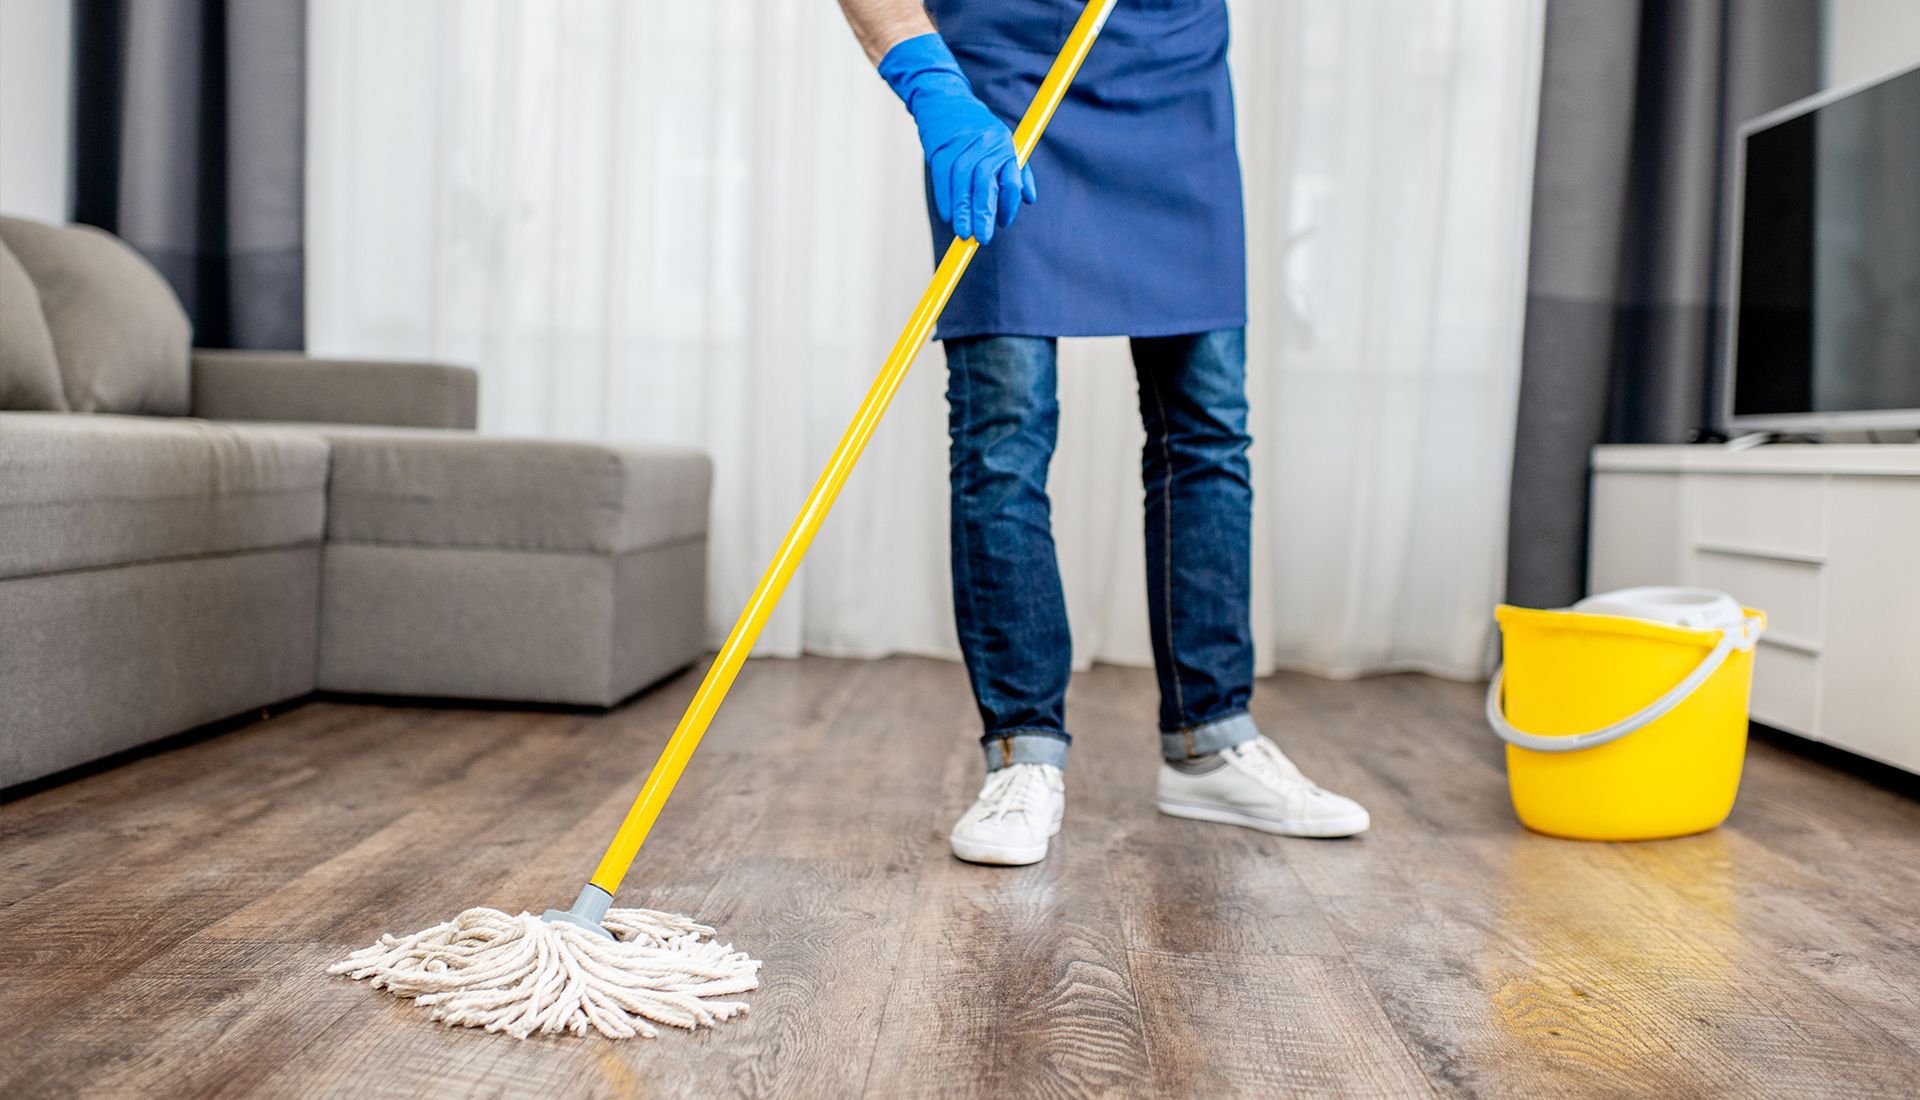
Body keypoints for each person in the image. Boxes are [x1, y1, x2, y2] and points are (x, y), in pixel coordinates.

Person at [837, 0, 1370, 865]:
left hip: (1169, 71)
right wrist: (930, 84)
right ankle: (1022, 752)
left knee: (1206, 425)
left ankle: (1211, 740)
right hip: (1002, 76)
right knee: (1001, 428)